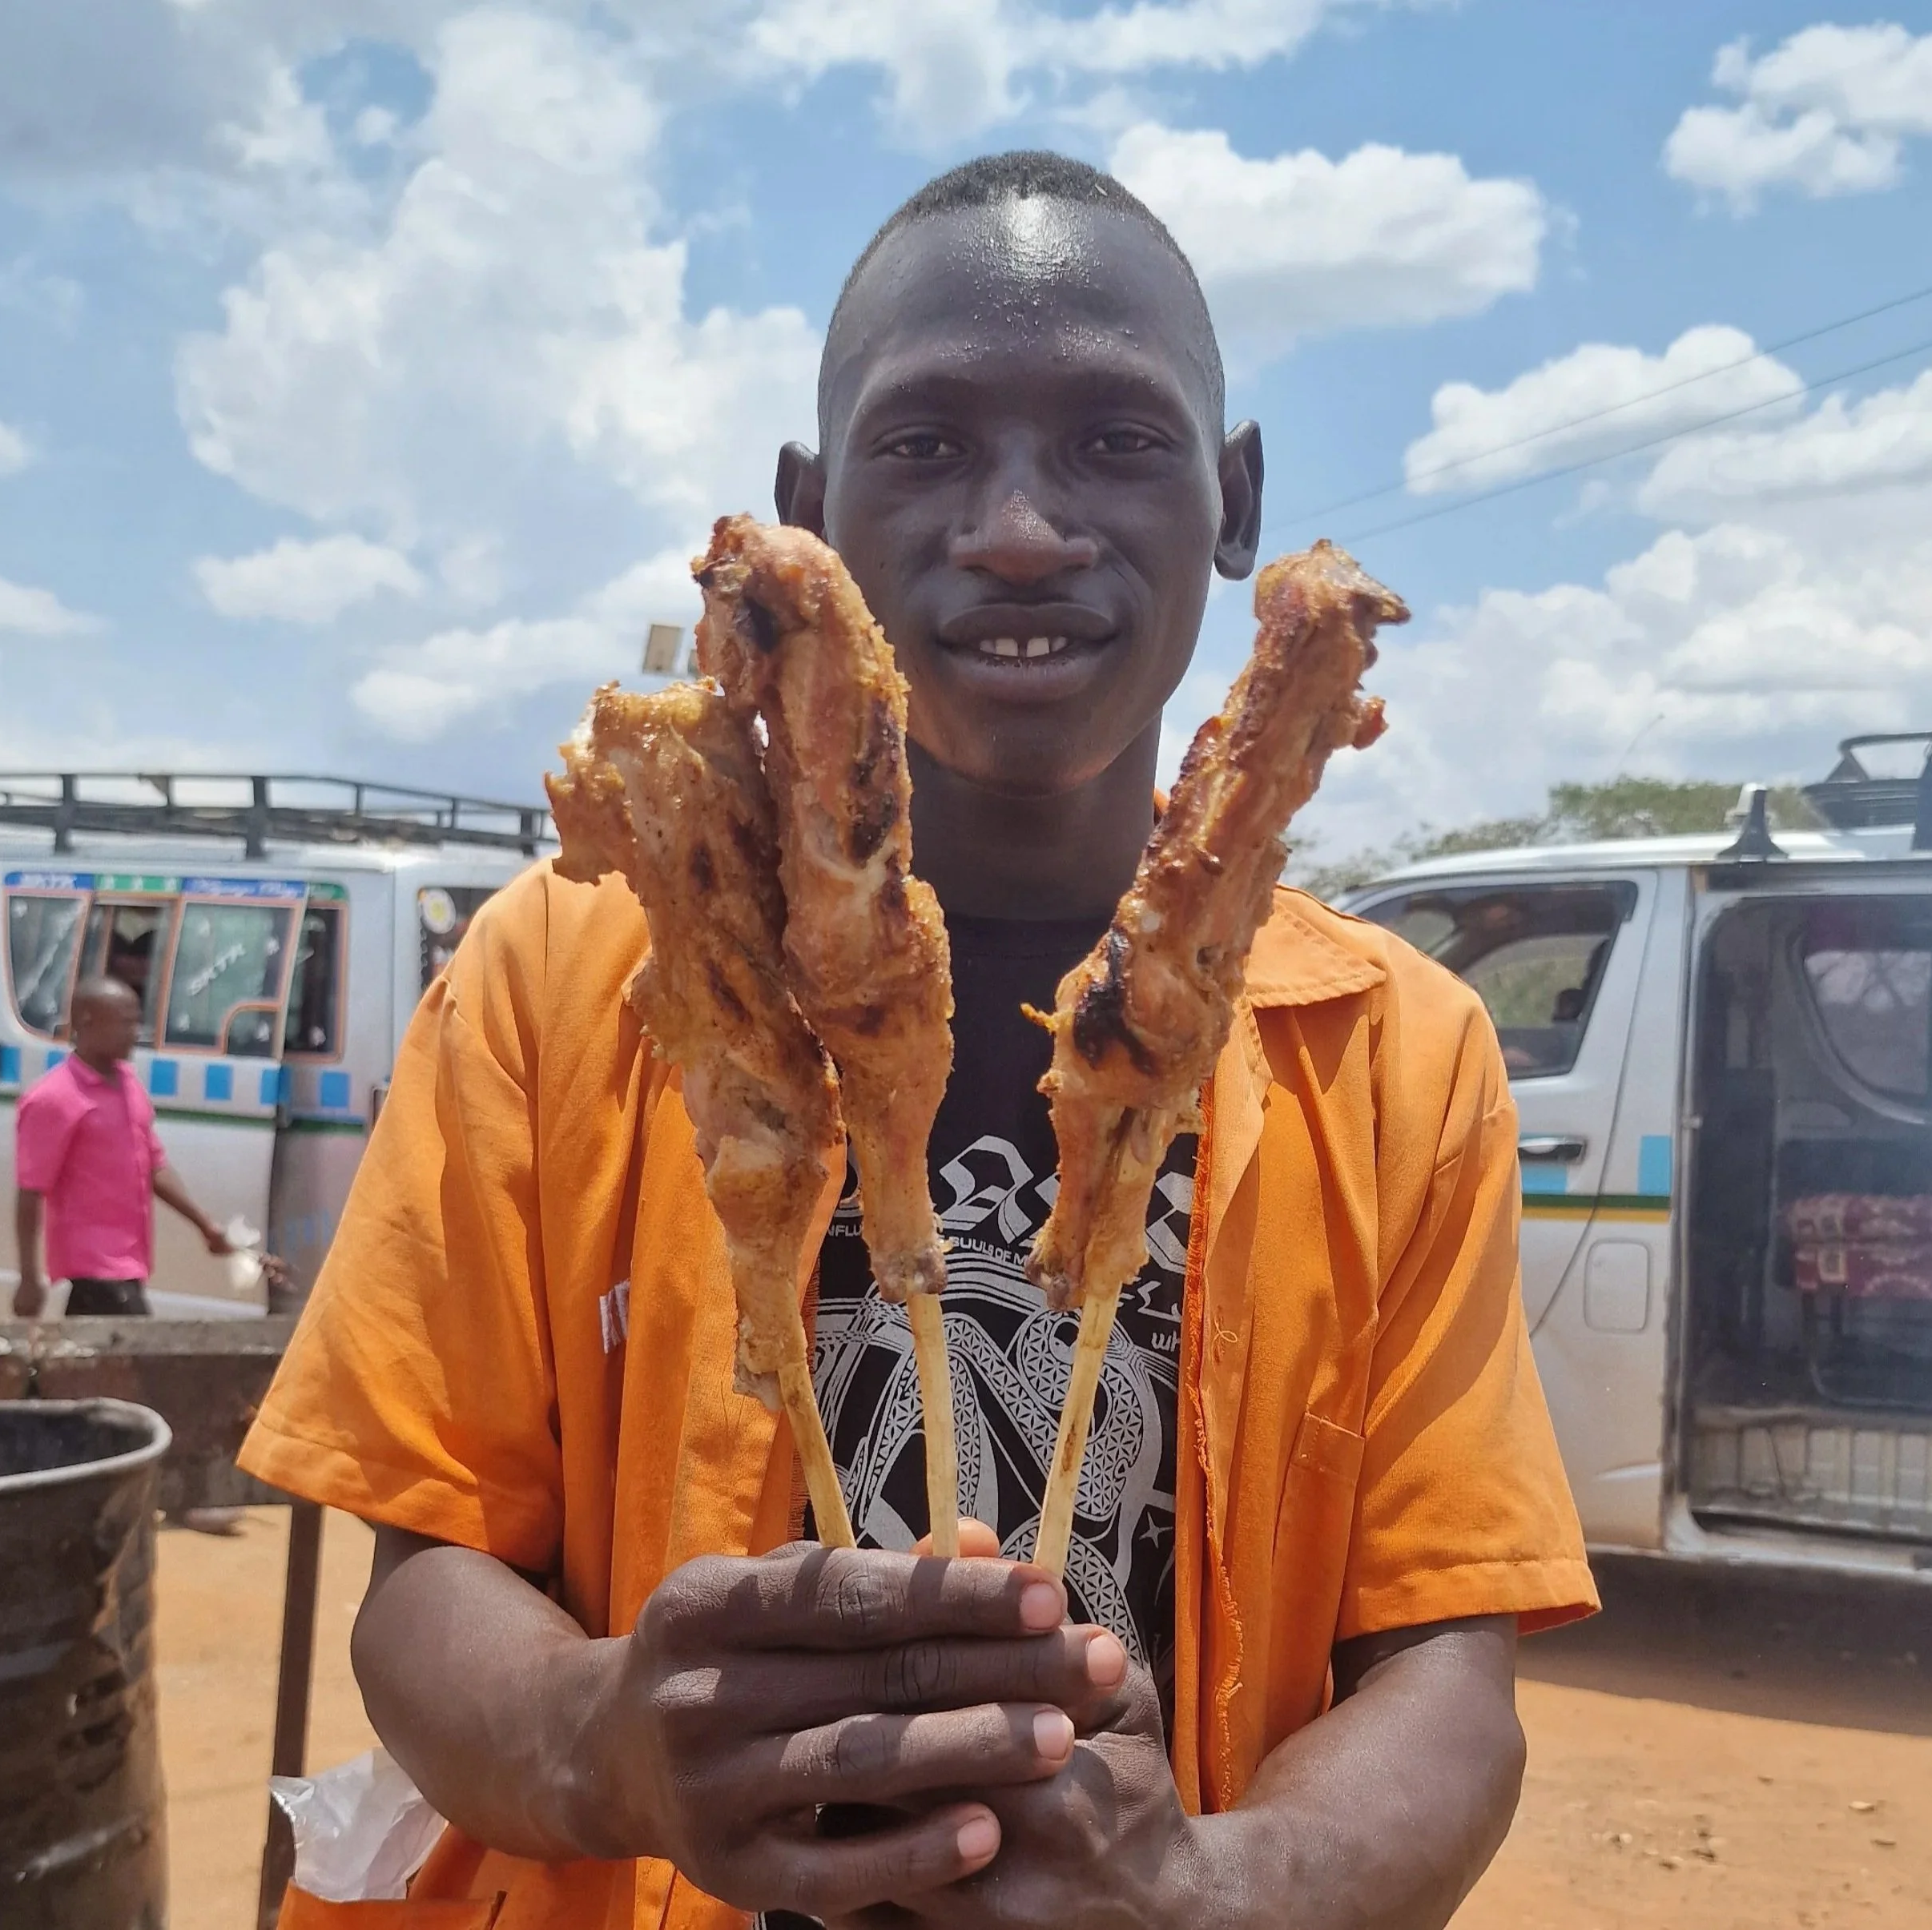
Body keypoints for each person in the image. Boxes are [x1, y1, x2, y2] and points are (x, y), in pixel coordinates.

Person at [241, 151, 1598, 1930]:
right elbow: (422, 1572)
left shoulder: (1396, 1051)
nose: (1020, 525)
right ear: (808, 508)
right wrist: (610, 1742)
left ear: (1233, 497)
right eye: (924, 443)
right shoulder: (567, 975)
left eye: (1115, 439)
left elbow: (1443, 1666)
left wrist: (1203, 1888)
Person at [14, 975, 237, 1320]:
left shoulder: (128, 1083)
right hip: (94, 1264)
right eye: (125, 1022)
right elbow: (30, 1191)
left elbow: (154, 1165)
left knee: (100, 1368)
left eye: (136, 1021)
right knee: (135, 1363)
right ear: (87, 1020)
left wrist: (205, 1225)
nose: (135, 1032)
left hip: (130, 1260)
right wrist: (29, 1279)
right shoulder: (54, 1097)